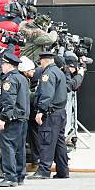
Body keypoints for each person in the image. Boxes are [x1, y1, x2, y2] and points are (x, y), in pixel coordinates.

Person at [27, 51, 69, 179]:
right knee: (59, 143)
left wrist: (40, 111)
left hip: (51, 114)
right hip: (60, 112)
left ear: (44, 61)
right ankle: (63, 171)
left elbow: (46, 94)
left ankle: (44, 170)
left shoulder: (48, 74)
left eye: (40, 62)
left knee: (46, 142)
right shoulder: (58, 71)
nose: (40, 65)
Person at [0, 52, 30, 187]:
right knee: (19, 147)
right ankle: (20, 175)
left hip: (13, 118)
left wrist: (3, 118)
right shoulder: (21, 78)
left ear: (9, 65)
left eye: (3, 64)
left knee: (8, 146)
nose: (1, 67)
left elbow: (9, 101)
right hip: (22, 117)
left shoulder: (9, 80)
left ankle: (10, 177)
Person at [18, 56, 40, 168]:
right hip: (22, 115)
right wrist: (36, 93)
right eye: (32, 70)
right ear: (26, 71)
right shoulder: (22, 80)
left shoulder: (25, 79)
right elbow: (26, 96)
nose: (34, 71)